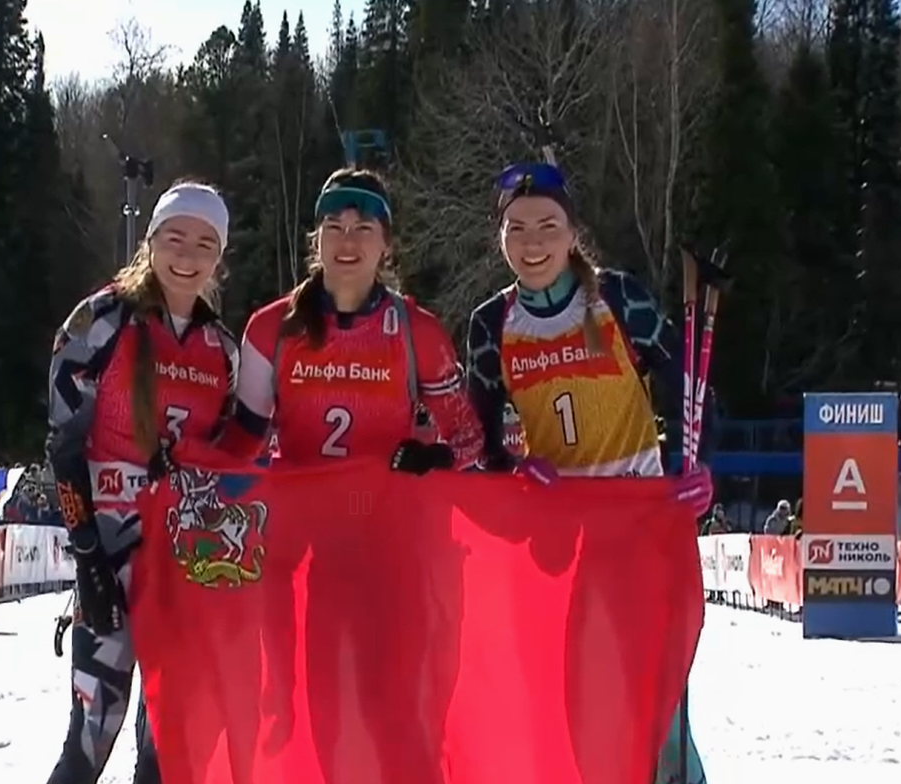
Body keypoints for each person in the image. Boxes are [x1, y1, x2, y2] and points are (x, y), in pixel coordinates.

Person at [218, 167, 483, 783]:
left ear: (387, 243)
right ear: (316, 238)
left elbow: (469, 439)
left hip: (391, 556)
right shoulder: (273, 327)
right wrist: (186, 469)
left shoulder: (416, 331)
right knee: (323, 717)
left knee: (398, 716)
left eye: (364, 227)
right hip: (306, 559)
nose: (347, 239)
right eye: (334, 226)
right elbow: (244, 440)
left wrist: (434, 457)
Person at [465, 161, 711, 784]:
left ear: (572, 233)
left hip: (639, 528)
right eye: (517, 229)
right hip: (562, 542)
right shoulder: (491, 325)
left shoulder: (615, 298)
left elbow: (685, 381)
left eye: (548, 226)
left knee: (657, 697)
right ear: (500, 238)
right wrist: (515, 468)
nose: (533, 243)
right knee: (575, 695)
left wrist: (691, 467)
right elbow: (477, 439)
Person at [44, 179, 239, 784]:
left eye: (204, 244)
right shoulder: (101, 321)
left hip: (179, 573)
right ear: (150, 240)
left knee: (165, 751)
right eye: (175, 238)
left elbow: (233, 466)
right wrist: (87, 559)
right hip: (105, 553)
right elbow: (63, 446)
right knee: (91, 737)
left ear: (219, 257)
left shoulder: (223, 350)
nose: (187, 256)